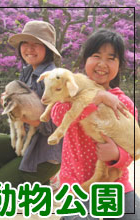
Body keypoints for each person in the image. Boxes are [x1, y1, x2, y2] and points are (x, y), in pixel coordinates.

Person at [51, 29, 139, 220]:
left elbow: (132, 146)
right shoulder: (71, 91)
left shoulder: (125, 103)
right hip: (76, 185)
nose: (102, 64)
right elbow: (58, 118)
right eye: (96, 56)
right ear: (85, 61)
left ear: (119, 65)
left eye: (111, 58)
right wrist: (95, 100)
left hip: (114, 182)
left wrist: (117, 155)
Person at [0, 20, 63, 185]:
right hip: (26, 142)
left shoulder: (52, 78)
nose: (29, 48)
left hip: (43, 156)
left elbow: (50, 128)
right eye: (25, 43)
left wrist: (17, 108)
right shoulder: (27, 72)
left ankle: (43, 181)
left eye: (37, 44)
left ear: (47, 49)